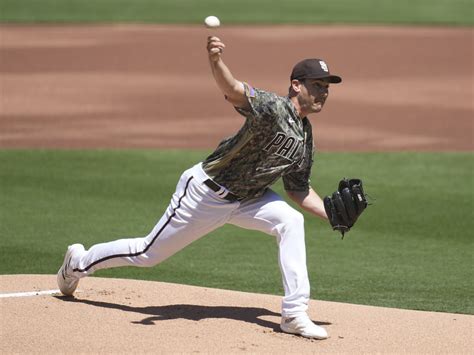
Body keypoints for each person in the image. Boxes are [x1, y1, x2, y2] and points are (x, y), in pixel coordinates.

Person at [58, 36, 342, 340]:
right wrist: (215, 60)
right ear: (297, 85)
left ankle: (294, 314)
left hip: (249, 200)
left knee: (291, 221)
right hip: (206, 193)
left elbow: (297, 189)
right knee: (147, 254)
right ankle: (78, 263)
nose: (323, 92)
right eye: (317, 85)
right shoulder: (272, 107)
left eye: (326, 87)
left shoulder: (306, 138)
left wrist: (332, 214)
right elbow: (233, 90)